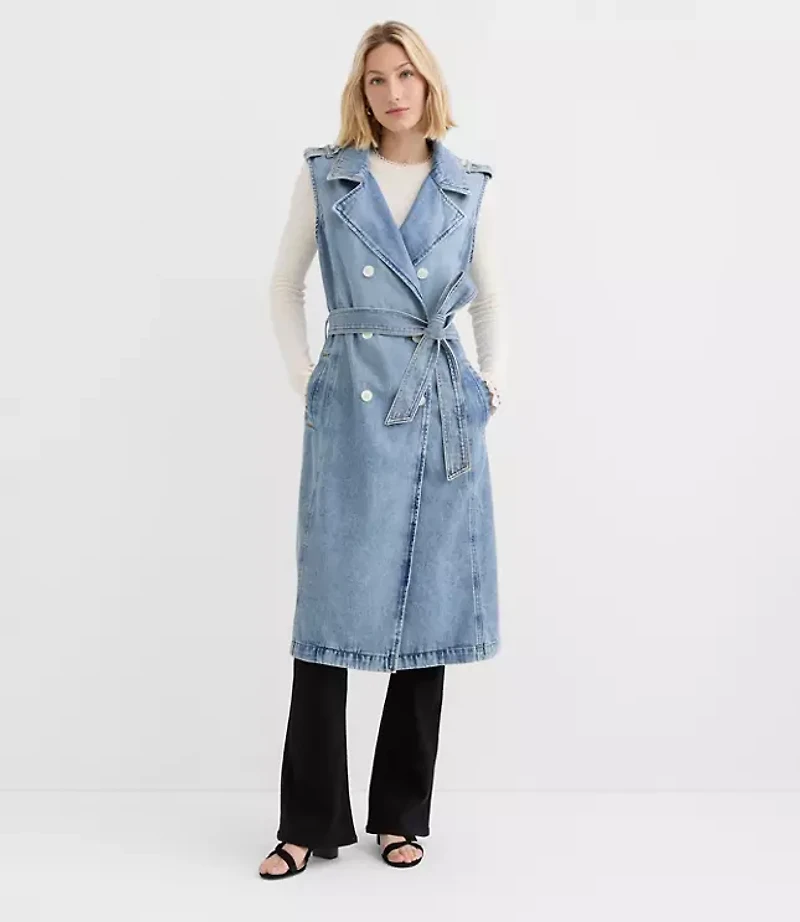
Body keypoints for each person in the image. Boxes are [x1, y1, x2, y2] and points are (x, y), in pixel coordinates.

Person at [259, 20, 507, 880]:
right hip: (351, 411)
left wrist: (491, 384)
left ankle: (401, 816)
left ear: (428, 81)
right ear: (359, 92)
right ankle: (307, 822)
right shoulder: (330, 176)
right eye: (375, 79)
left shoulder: (465, 185)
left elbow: (491, 299)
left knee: (428, 610)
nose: (393, 92)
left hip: (440, 411)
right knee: (327, 615)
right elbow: (283, 286)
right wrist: (309, 380)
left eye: (405, 74)